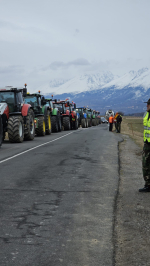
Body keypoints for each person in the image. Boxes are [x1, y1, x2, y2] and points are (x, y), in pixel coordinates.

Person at [139, 98, 150, 192]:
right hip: (147, 143)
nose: (147, 106)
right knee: (145, 164)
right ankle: (148, 185)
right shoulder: (146, 114)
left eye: (148, 104)